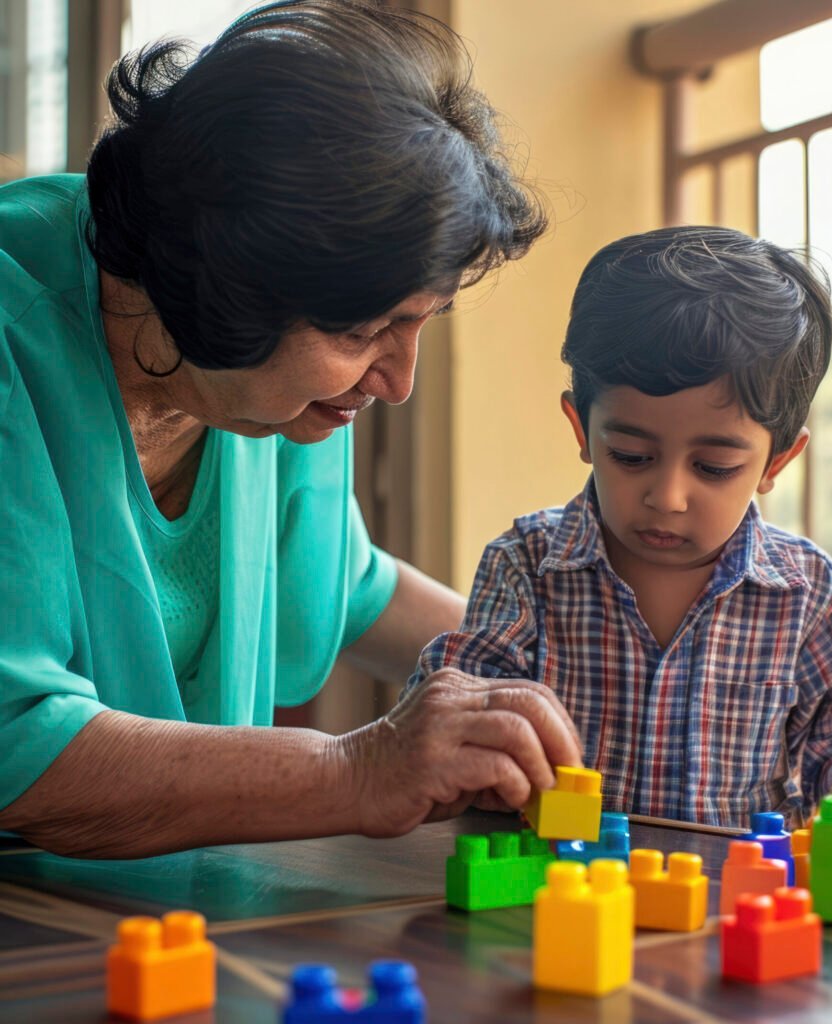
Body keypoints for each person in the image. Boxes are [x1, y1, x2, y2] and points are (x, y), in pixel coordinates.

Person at [0, 0, 583, 859]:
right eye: (359, 334)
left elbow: (344, 586)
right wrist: (359, 769)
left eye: (421, 323)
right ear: (223, 288)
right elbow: (17, 747)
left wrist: (574, 674)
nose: (397, 380)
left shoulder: (270, 395)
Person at [405, 226, 832, 828]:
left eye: (714, 467)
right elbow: (458, 703)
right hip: (555, 895)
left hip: (730, 904)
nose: (668, 497)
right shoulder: (527, 564)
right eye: (630, 455)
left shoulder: (808, 593)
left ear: (776, 461)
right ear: (581, 430)